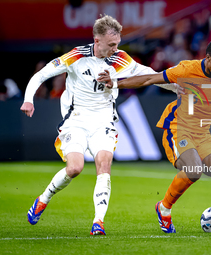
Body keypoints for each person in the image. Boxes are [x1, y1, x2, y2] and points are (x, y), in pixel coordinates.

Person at [20, 14, 177, 236]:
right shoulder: (76, 56)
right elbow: (42, 74)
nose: (115, 48)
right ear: (97, 41)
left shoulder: (120, 59)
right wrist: (29, 98)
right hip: (76, 121)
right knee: (74, 168)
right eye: (111, 44)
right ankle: (43, 199)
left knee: (104, 167)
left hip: (104, 121)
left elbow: (150, 75)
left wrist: (180, 89)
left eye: (117, 44)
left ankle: (98, 222)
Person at [100, 38, 211, 234]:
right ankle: (164, 208)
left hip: (203, 133)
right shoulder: (186, 70)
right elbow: (150, 78)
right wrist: (115, 83)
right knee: (194, 171)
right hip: (178, 127)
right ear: (208, 58)